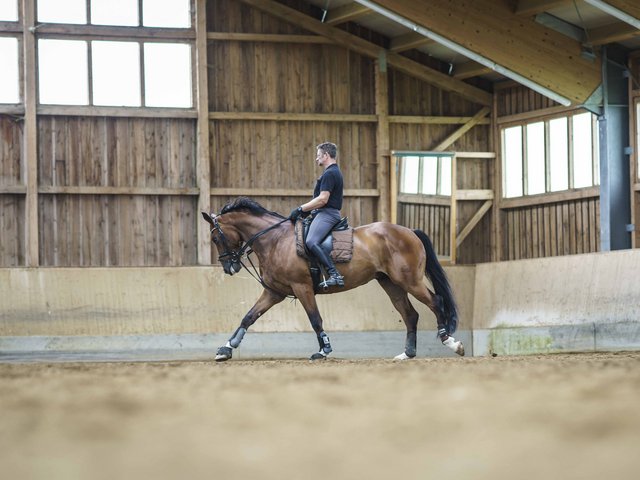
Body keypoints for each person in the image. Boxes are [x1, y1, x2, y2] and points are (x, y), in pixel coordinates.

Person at [290, 142, 345, 288]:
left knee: (311, 241)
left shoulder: (330, 173)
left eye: (318, 155)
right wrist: (306, 211)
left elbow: (323, 199)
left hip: (328, 214)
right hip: (322, 212)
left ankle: (334, 274)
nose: (316, 159)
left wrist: (300, 209)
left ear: (326, 155)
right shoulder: (332, 172)